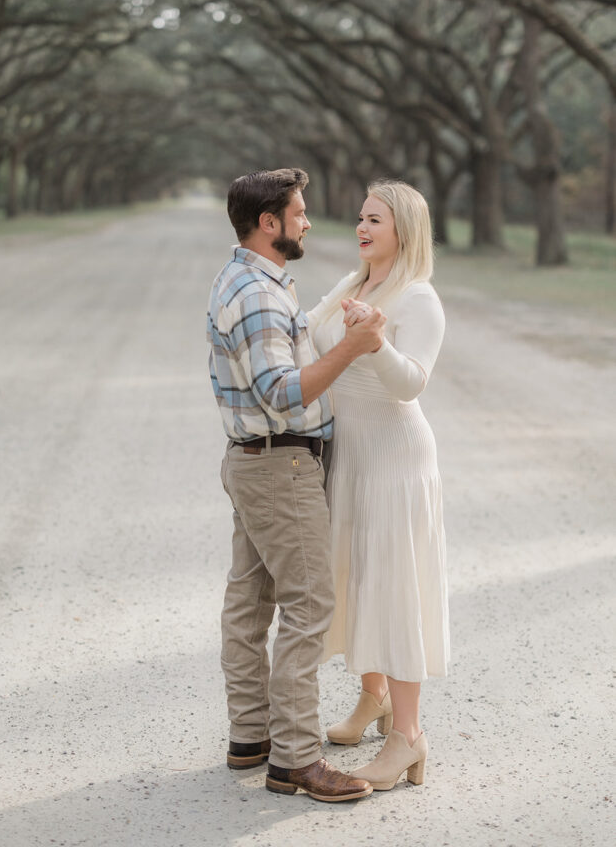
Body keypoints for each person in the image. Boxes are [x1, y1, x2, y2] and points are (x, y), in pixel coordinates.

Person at [207, 168, 386, 803]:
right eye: (300, 212)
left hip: (258, 462)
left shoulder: (259, 282)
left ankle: (252, 737)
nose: (308, 221)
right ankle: (296, 759)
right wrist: (357, 346)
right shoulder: (255, 295)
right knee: (310, 604)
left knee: (252, 602)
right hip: (278, 464)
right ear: (269, 223)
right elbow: (281, 393)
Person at [307, 179, 449, 791]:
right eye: (361, 218)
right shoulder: (353, 282)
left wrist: (375, 340)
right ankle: (374, 699)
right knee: (359, 579)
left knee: (395, 588)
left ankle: (408, 737)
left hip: (396, 458)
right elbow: (311, 330)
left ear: (404, 231)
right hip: (353, 453)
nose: (362, 228)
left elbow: (411, 383)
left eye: (376, 221)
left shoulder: (418, 299)